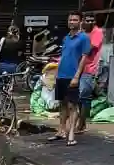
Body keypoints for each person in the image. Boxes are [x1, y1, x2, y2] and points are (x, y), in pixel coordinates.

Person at [47, 11, 90, 147]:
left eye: (75, 20)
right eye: (70, 19)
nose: (72, 22)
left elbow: (84, 58)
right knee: (63, 104)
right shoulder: (66, 38)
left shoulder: (84, 38)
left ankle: (71, 134)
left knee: (72, 105)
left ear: (80, 22)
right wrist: (56, 74)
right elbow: (63, 57)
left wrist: (77, 76)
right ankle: (61, 131)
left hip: (72, 75)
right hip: (61, 75)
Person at [78, 14, 104, 133]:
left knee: (84, 95)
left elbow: (90, 48)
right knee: (78, 97)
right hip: (78, 68)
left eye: (92, 20)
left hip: (89, 69)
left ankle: (82, 124)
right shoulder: (82, 33)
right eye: (87, 20)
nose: (90, 22)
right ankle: (80, 122)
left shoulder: (97, 32)